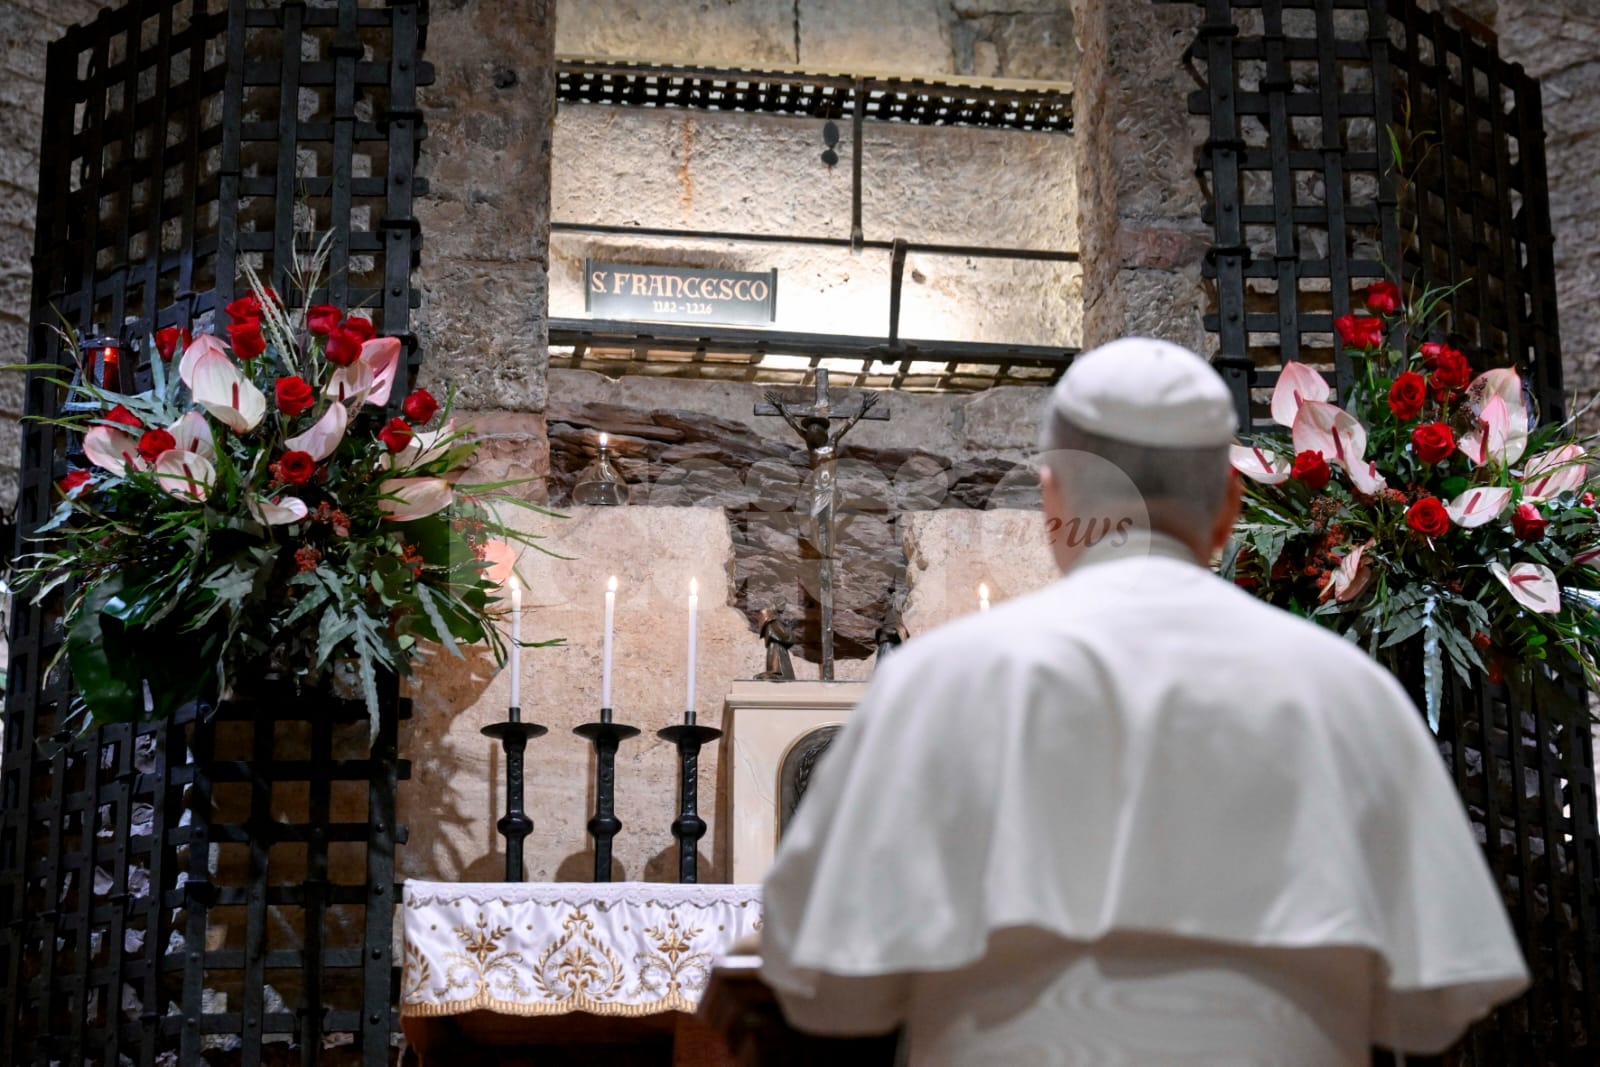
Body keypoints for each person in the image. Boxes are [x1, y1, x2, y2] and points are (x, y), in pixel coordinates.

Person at [758, 338, 1529, 1065]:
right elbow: (1432, 1003)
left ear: (1054, 500)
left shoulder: (935, 683)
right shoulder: (1349, 691)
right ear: (1230, 503)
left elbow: (826, 983)